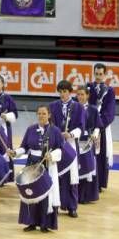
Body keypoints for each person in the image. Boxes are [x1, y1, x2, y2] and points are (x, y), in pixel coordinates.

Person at [8, 106, 64, 232]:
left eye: (44, 113)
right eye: (39, 113)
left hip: (47, 165)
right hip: (31, 164)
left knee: (45, 195)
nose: (41, 116)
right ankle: (31, 222)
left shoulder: (55, 131)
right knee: (31, 193)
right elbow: (24, 147)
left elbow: (61, 149)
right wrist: (15, 152)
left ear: (49, 115)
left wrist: (52, 155)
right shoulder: (31, 129)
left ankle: (45, 223)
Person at [49, 80, 85, 218]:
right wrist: (57, 134)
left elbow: (81, 127)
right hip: (56, 144)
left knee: (72, 177)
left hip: (70, 144)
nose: (62, 94)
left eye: (65, 91)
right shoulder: (52, 106)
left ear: (70, 92)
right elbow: (49, 124)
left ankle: (72, 206)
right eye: (60, 91)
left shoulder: (78, 107)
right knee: (56, 175)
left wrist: (70, 134)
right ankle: (55, 205)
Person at [87, 63, 115, 191]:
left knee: (101, 155)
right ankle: (87, 179)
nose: (98, 76)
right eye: (96, 74)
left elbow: (110, 111)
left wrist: (99, 125)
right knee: (87, 153)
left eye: (100, 74)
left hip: (102, 128)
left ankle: (99, 183)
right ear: (94, 73)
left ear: (105, 75)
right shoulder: (87, 87)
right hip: (87, 126)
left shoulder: (109, 91)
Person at [76, 85, 102, 204]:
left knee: (87, 168)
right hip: (75, 141)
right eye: (78, 94)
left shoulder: (93, 109)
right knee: (76, 168)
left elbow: (98, 125)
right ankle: (74, 195)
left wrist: (95, 134)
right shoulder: (73, 108)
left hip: (87, 141)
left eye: (82, 94)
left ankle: (85, 196)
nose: (80, 97)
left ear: (87, 95)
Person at [0, 75, 18, 182]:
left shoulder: (8, 98)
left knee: (4, 150)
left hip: (4, 128)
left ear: (3, 84)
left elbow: (15, 114)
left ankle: (6, 176)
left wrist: (7, 116)